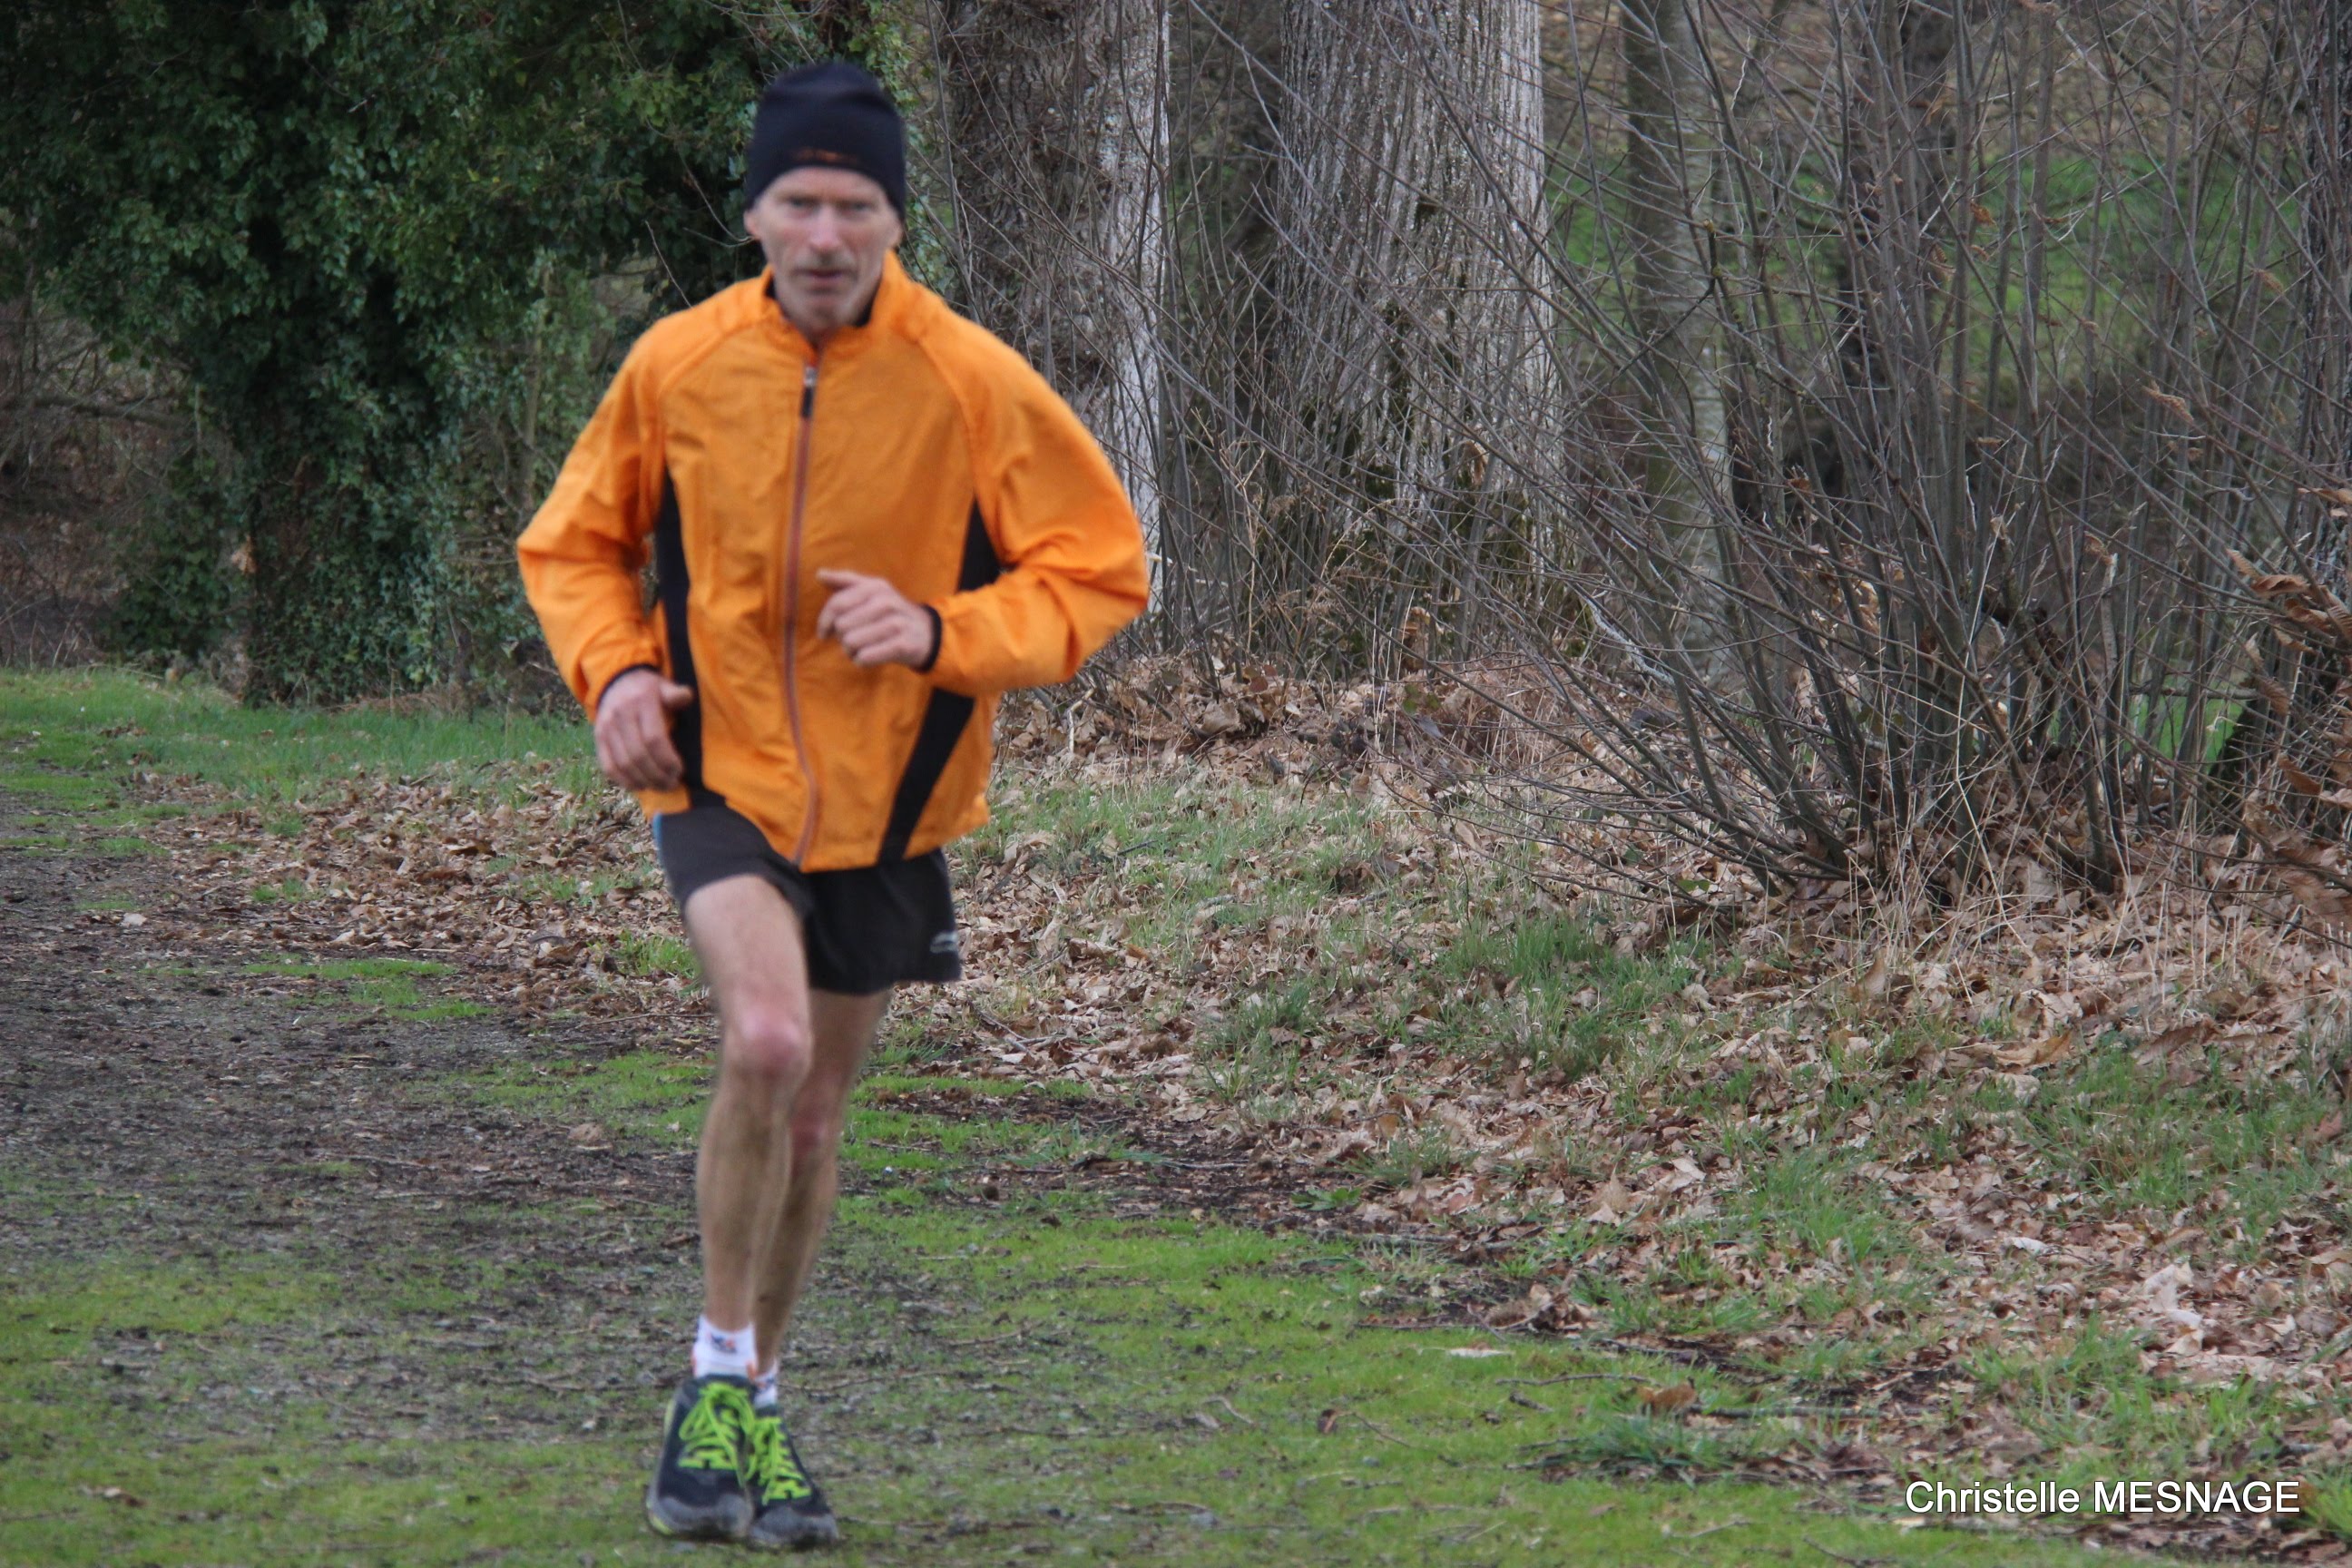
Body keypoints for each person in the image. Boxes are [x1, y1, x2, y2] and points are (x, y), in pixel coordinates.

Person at [516, 60, 1148, 1550]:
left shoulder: (968, 379)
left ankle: (760, 1404)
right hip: (717, 772)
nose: (823, 233)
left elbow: (1099, 569)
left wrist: (943, 631)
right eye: (797, 201)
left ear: (894, 221)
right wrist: (617, 676)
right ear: (754, 214)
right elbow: (575, 546)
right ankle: (712, 1377)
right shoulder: (678, 366)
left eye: (854, 205)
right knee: (767, 1039)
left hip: (893, 802)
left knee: (811, 1118)